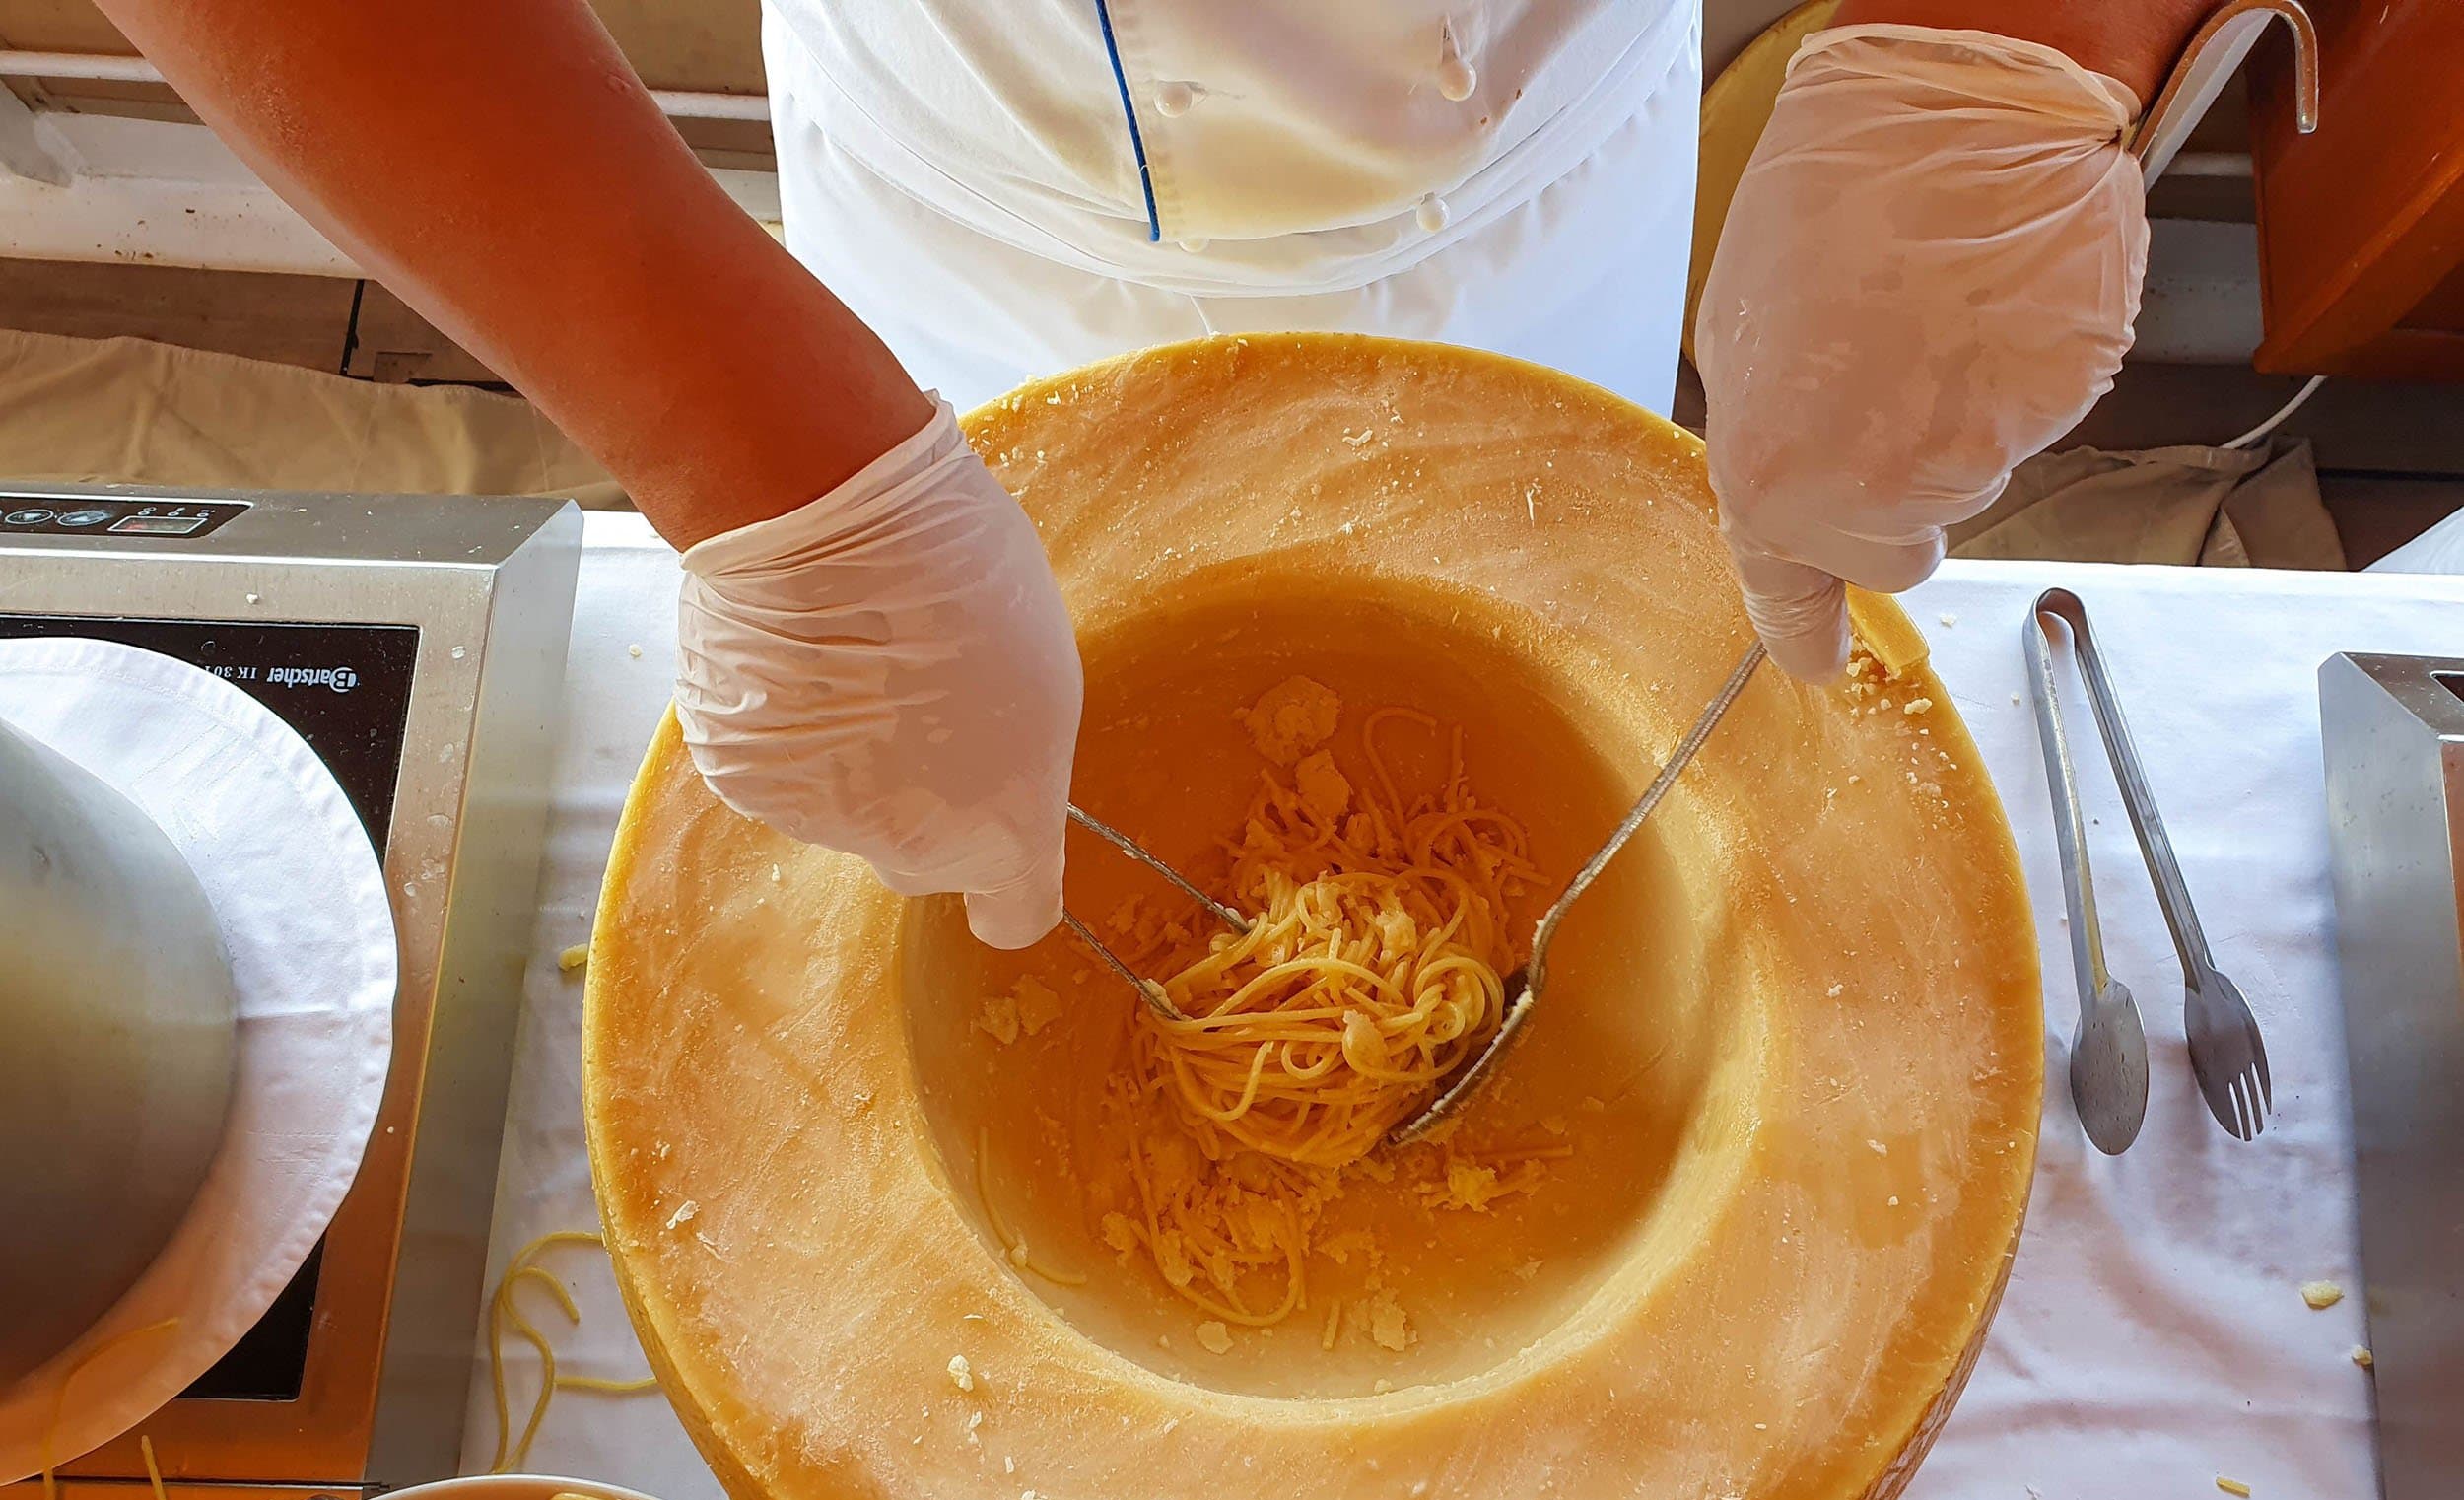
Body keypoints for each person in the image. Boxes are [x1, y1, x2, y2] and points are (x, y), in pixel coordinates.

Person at [98, 0, 2209, 946]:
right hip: (981, 188)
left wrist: (2027, 36)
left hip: (1552, 152)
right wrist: (748, 451)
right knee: (984, 783)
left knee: (1533, 653)